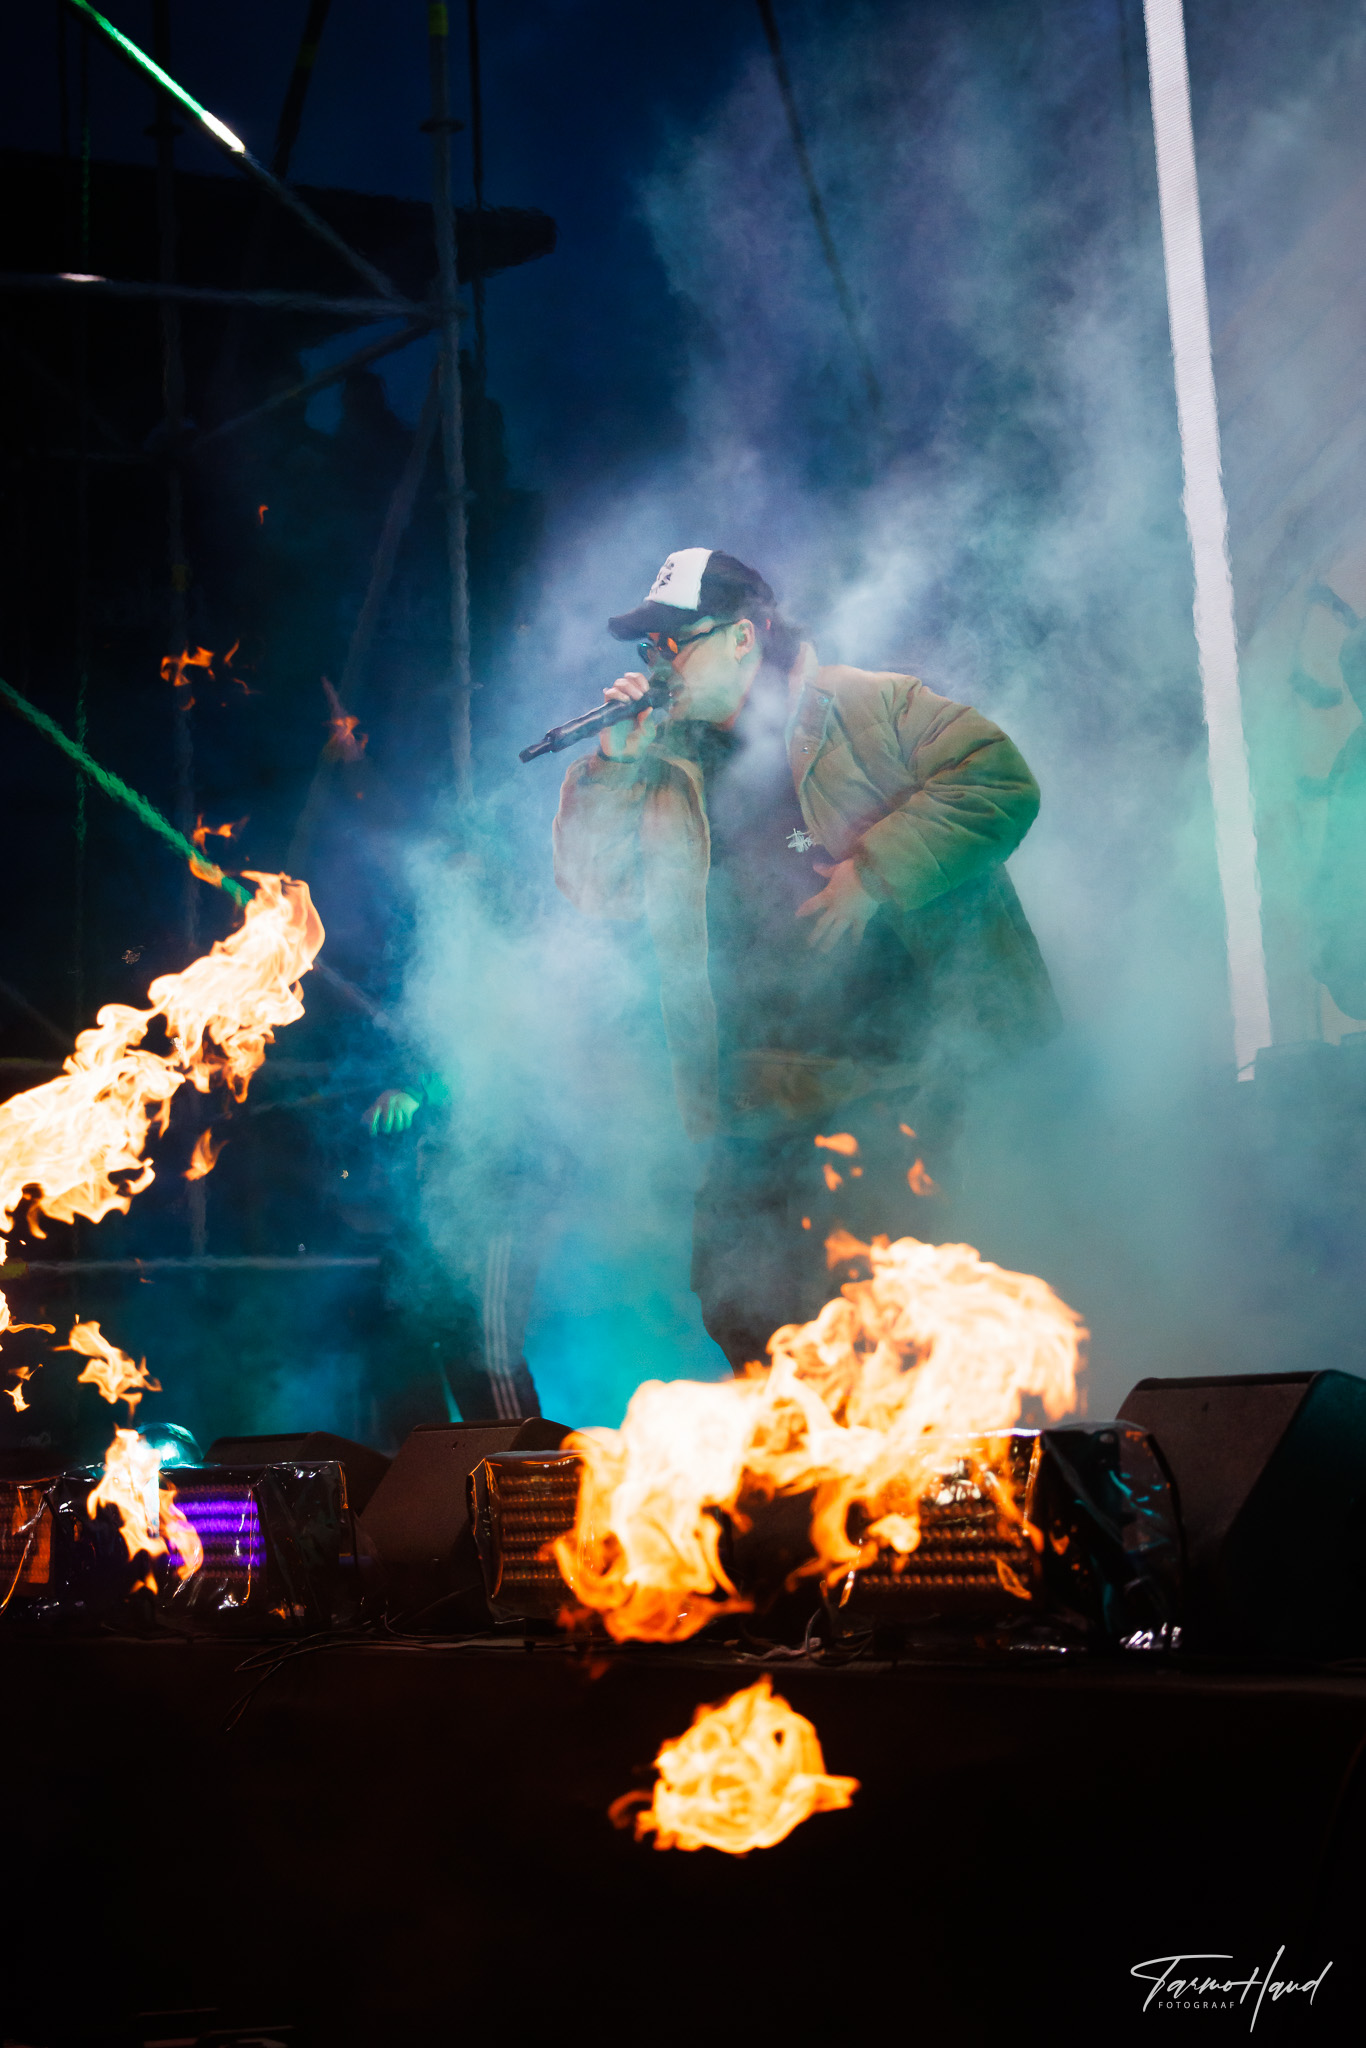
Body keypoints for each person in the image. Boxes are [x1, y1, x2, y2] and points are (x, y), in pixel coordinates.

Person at [553, 548, 1059, 1370]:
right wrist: (612, 764)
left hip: (897, 1073)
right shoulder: (662, 760)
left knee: (885, 1320)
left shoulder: (862, 707)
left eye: (677, 642)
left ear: (744, 636)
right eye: (650, 647)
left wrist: (874, 874)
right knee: (737, 1306)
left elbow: (999, 781)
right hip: (755, 1090)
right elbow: (594, 888)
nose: (659, 663)